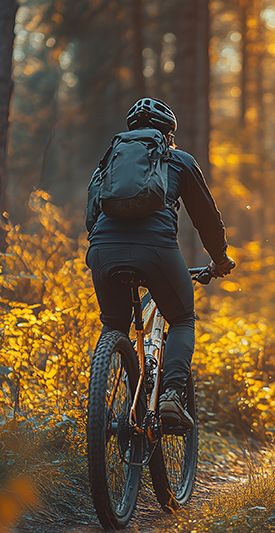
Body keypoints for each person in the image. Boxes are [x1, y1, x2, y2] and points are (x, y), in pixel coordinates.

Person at [86, 97, 235, 430]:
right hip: (156, 251)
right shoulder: (178, 160)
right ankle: (170, 396)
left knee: (113, 326)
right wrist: (220, 258)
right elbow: (206, 219)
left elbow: (91, 216)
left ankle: (105, 405)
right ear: (168, 134)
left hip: (103, 250)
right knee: (182, 318)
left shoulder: (108, 163)